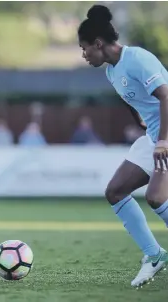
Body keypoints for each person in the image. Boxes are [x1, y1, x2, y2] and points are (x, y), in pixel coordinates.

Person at [78, 5, 168, 288]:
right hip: (153, 137)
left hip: (166, 135)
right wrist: (141, 121)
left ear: (98, 43)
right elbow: (133, 99)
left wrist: (163, 140)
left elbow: (166, 96)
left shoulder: (139, 58)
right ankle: (154, 256)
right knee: (115, 191)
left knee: (156, 197)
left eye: (84, 49)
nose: (83, 55)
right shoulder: (111, 72)